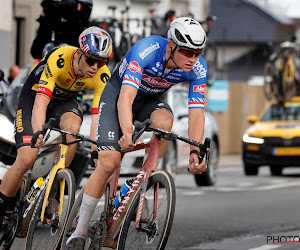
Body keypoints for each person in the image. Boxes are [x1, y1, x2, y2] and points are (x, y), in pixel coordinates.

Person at [66, 17, 208, 249]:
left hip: (150, 101)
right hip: (119, 95)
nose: (193, 59)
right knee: (109, 162)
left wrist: (195, 150)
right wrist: (127, 129)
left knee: (165, 122)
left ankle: (145, 178)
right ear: (171, 46)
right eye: (186, 52)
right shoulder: (147, 50)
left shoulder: (198, 68)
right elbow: (126, 98)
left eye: (197, 52)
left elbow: (196, 113)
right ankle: (78, 233)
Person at [0, 26, 112, 229]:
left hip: (63, 101)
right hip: (35, 96)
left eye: (101, 61)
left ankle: (53, 190)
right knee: (27, 157)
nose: (95, 67)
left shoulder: (102, 75)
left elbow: (98, 117)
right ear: (79, 53)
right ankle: (2, 206)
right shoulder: (60, 58)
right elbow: (41, 104)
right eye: (91, 60)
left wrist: (97, 149)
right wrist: (37, 132)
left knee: (73, 131)